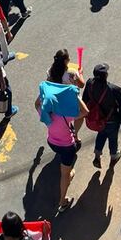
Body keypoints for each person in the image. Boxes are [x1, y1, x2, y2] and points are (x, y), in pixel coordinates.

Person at [37, 79, 87, 210]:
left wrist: (45, 91)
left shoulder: (45, 113)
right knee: (65, 174)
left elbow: (36, 103)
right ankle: (62, 201)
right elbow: (85, 111)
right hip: (67, 148)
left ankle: (68, 171)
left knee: (65, 165)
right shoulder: (67, 115)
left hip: (52, 143)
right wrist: (74, 95)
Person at [82, 63, 121, 168]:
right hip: (112, 120)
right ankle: (114, 156)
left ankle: (97, 155)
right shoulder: (115, 90)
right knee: (113, 139)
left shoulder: (90, 83)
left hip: (98, 119)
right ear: (106, 75)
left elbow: (85, 99)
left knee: (101, 134)